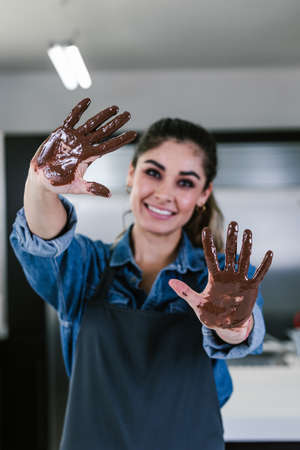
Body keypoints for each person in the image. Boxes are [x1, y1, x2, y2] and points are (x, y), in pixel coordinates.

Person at [10, 98, 273, 450]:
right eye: (153, 172)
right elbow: (44, 235)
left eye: (185, 182)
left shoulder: (221, 278)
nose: (164, 193)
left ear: (203, 194)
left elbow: (242, 331)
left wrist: (231, 323)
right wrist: (39, 182)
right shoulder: (87, 268)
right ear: (131, 173)